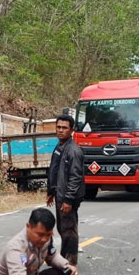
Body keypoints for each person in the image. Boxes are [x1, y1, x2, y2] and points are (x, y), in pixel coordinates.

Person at [46, 114, 85, 266]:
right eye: (58, 127)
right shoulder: (59, 147)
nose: (60, 130)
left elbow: (75, 178)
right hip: (60, 195)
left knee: (69, 230)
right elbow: (55, 171)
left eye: (64, 128)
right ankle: (64, 257)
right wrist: (51, 191)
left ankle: (70, 262)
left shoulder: (73, 151)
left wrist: (69, 199)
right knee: (63, 228)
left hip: (68, 198)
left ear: (71, 131)